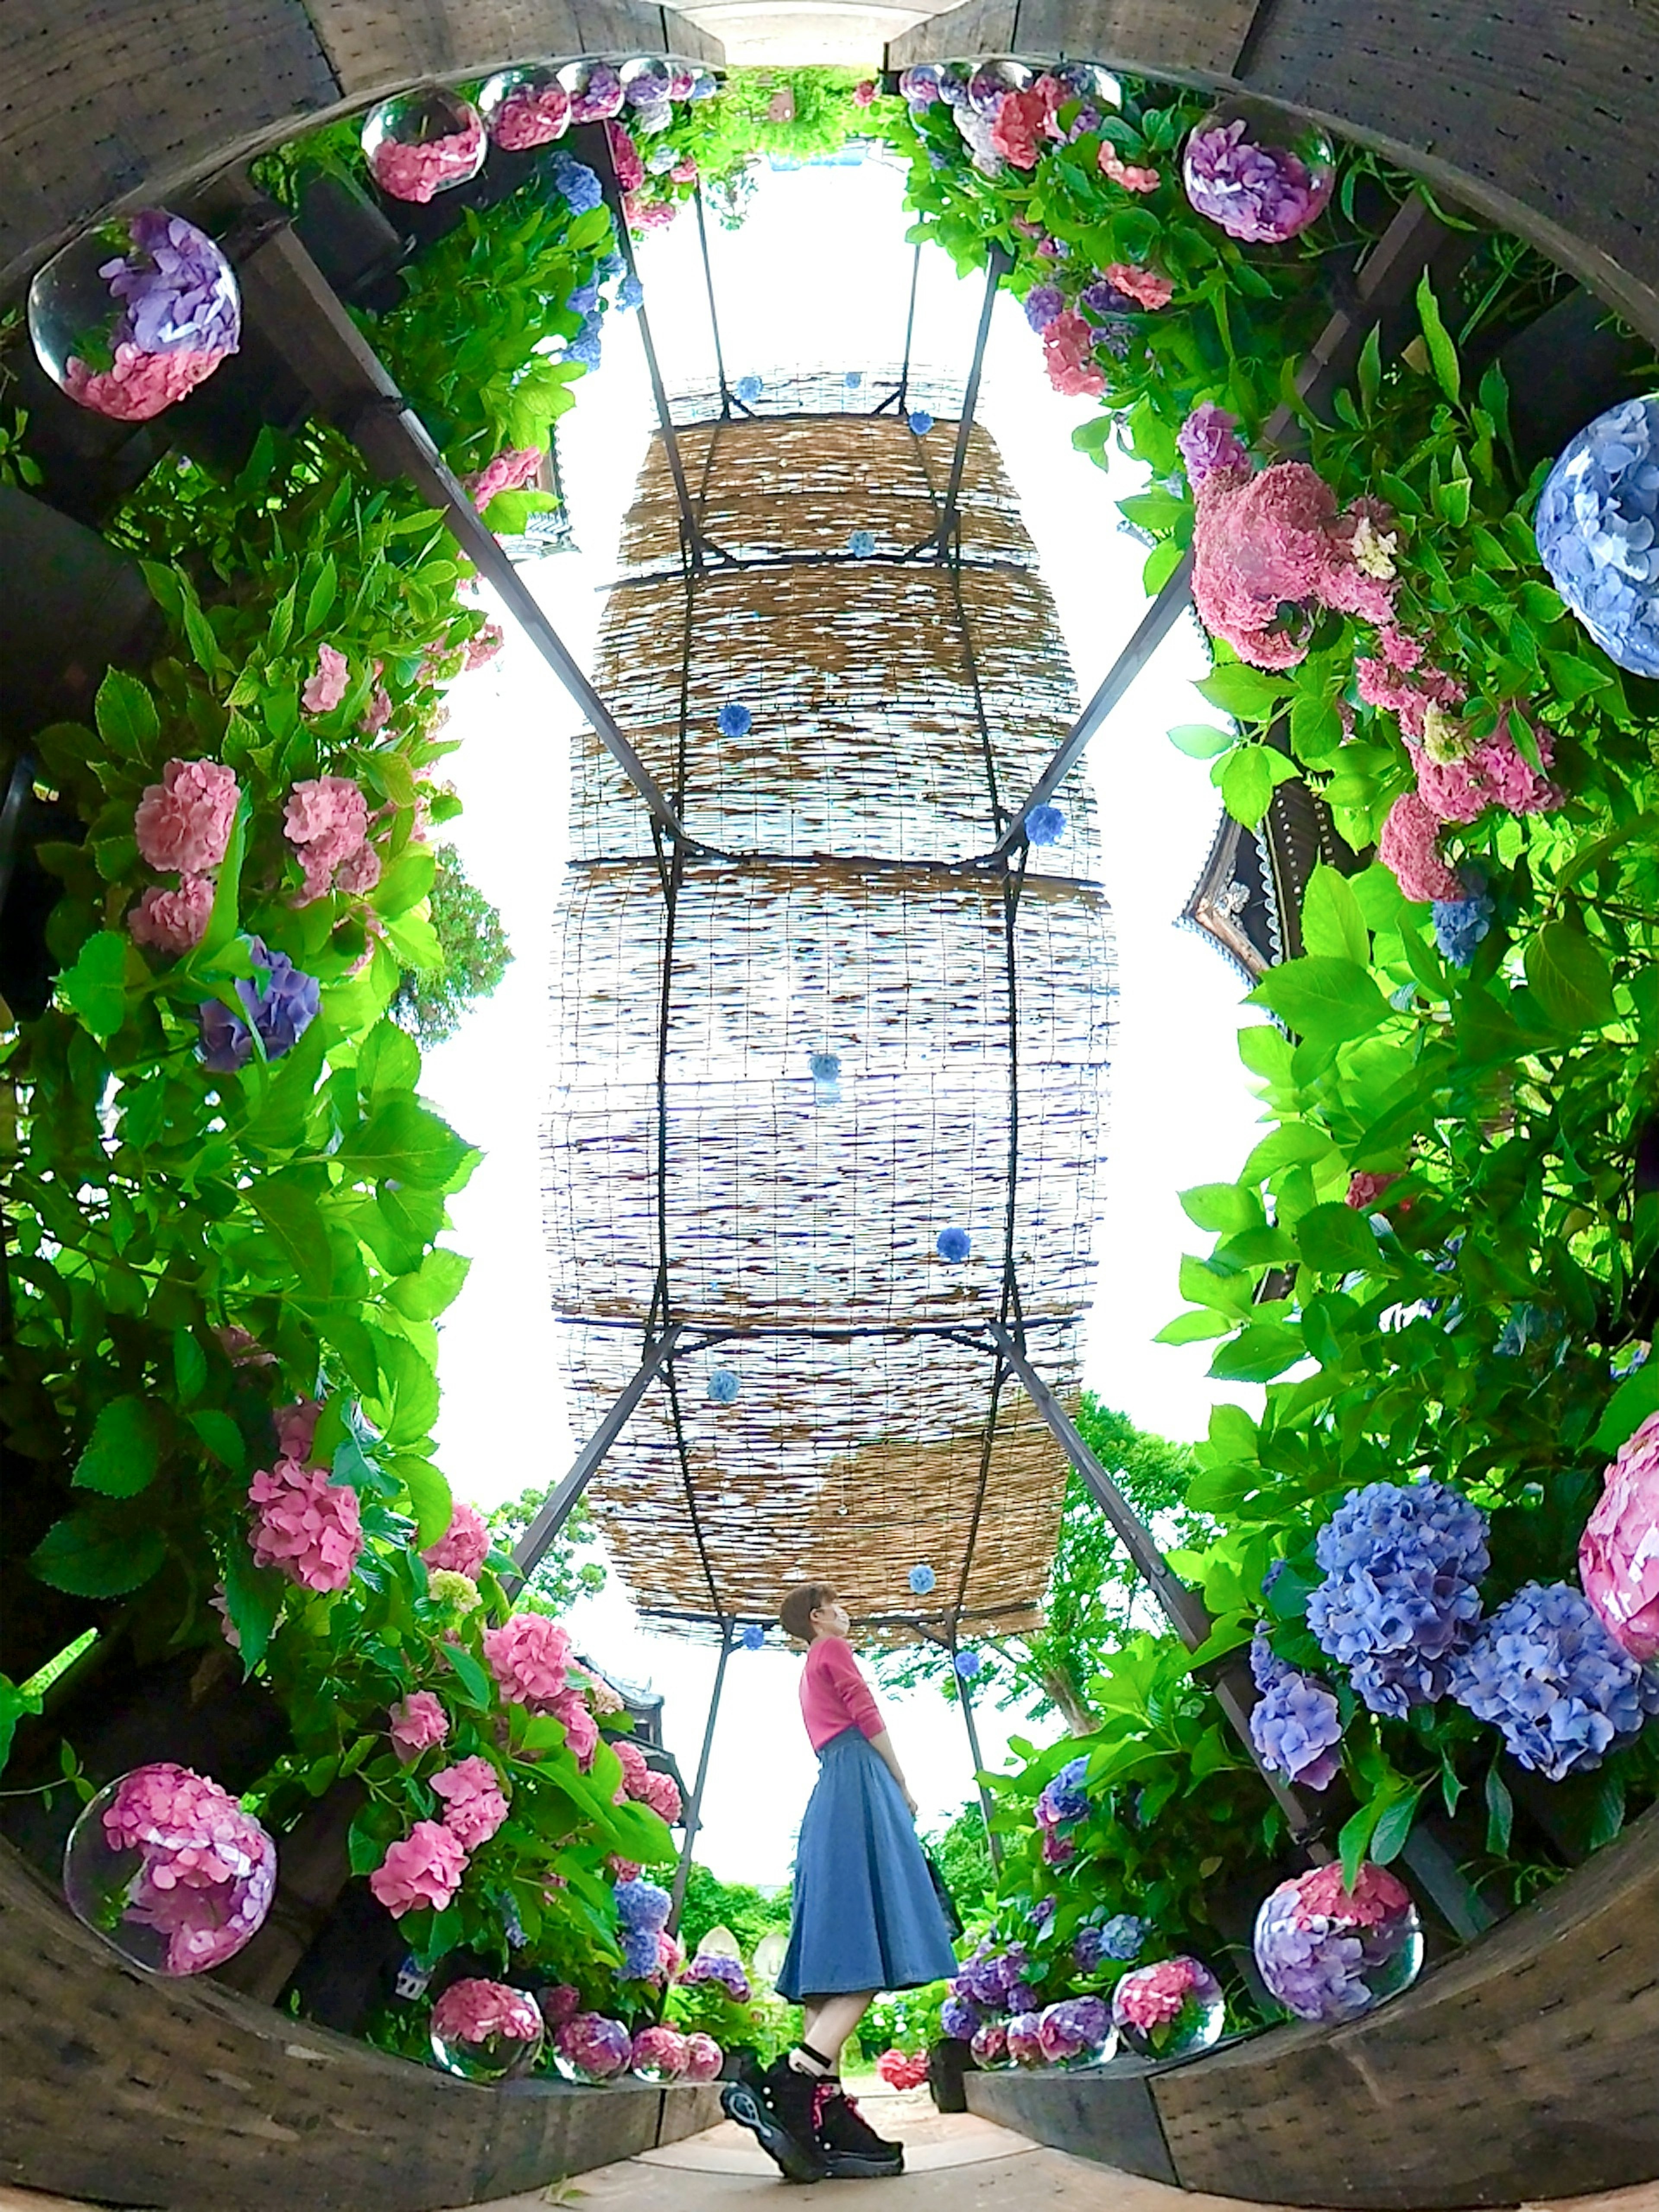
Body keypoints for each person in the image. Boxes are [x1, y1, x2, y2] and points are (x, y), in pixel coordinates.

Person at [721, 1581, 958, 2183]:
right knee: (869, 1942)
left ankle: (820, 2116)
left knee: (831, 1956)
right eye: (840, 1605)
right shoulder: (831, 1650)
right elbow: (867, 1712)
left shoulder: (805, 1669)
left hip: (831, 1788)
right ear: (820, 1614)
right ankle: (798, 2082)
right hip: (859, 1781)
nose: (847, 1614)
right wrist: (902, 1782)